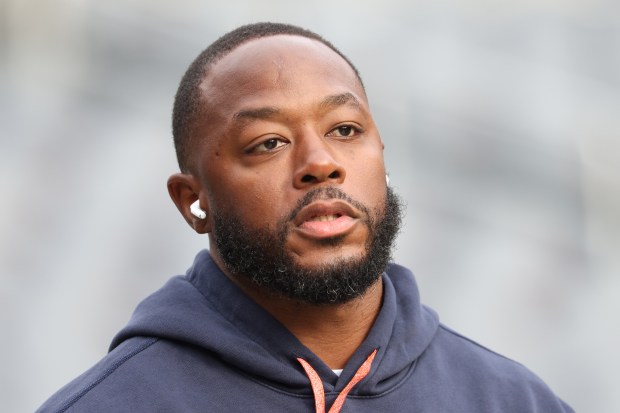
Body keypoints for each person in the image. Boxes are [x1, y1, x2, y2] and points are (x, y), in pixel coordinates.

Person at [38, 22, 573, 412]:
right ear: (191, 203)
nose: (321, 164)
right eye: (268, 143)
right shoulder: (112, 403)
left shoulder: (512, 399)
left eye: (344, 130)